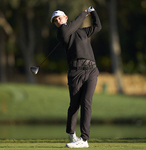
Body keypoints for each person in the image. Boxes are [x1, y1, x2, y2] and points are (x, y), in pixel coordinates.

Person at [50, 6, 101, 148]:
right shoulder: (61, 32)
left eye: (60, 18)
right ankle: (71, 133)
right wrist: (84, 12)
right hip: (75, 73)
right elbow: (75, 23)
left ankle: (84, 140)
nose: (58, 21)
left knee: (86, 103)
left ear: (66, 17)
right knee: (74, 105)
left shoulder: (82, 32)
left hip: (91, 71)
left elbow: (98, 27)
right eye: (56, 20)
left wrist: (93, 12)